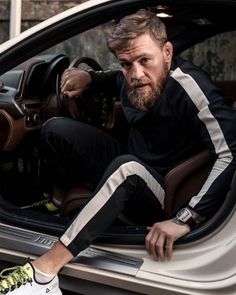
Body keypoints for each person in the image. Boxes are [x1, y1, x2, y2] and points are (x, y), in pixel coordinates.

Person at [1, 8, 236, 295]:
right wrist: (91, 79)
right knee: (55, 128)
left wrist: (185, 218)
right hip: (132, 160)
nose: (135, 74)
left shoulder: (190, 86)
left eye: (144, 60)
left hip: (163, 191)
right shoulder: (130, 77)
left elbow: (231, 152)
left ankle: (43, 273)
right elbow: (115, 80)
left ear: (167, 51)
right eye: (126, 64)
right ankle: (53, 202)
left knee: (126, 168)